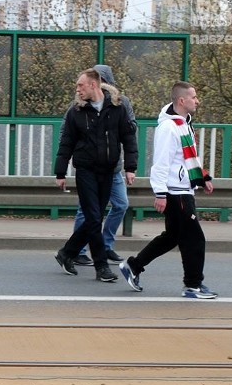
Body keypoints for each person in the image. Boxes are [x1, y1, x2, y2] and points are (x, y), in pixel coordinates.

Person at [119, 81, 217, 299]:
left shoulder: (184, 124)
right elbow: (161, 163)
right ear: (182, 100)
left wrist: (203, 177)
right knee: (194, 239)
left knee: (172, 236)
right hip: (176, 192)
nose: (197, 101)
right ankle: (192, 286)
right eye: (194, 97)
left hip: (183, 189)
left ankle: (133, 266)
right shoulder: (168, 128)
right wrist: (160, 193)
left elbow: (188, 157)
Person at [54, 68, 137, 282]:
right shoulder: (76, 112)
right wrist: (60, 172)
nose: (77, 90)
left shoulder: (117, 108)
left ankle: (66, 253)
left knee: (95, 217)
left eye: (80, 85)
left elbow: (128, 138)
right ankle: (101, 267)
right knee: (93, 216)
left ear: (93, 85)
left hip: (108, 171)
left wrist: (130, 167)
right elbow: (66, 143)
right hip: (85, 171)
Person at [73, 64, 136, 266]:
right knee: (87, 211)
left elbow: (130, 130)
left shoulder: (121, 102)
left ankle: (106, 246)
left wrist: (129, 167)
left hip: (112, 167)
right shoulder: (81, 103)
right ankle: (79, 250)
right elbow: (69, 133)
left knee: (121, 204)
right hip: (90, 168)